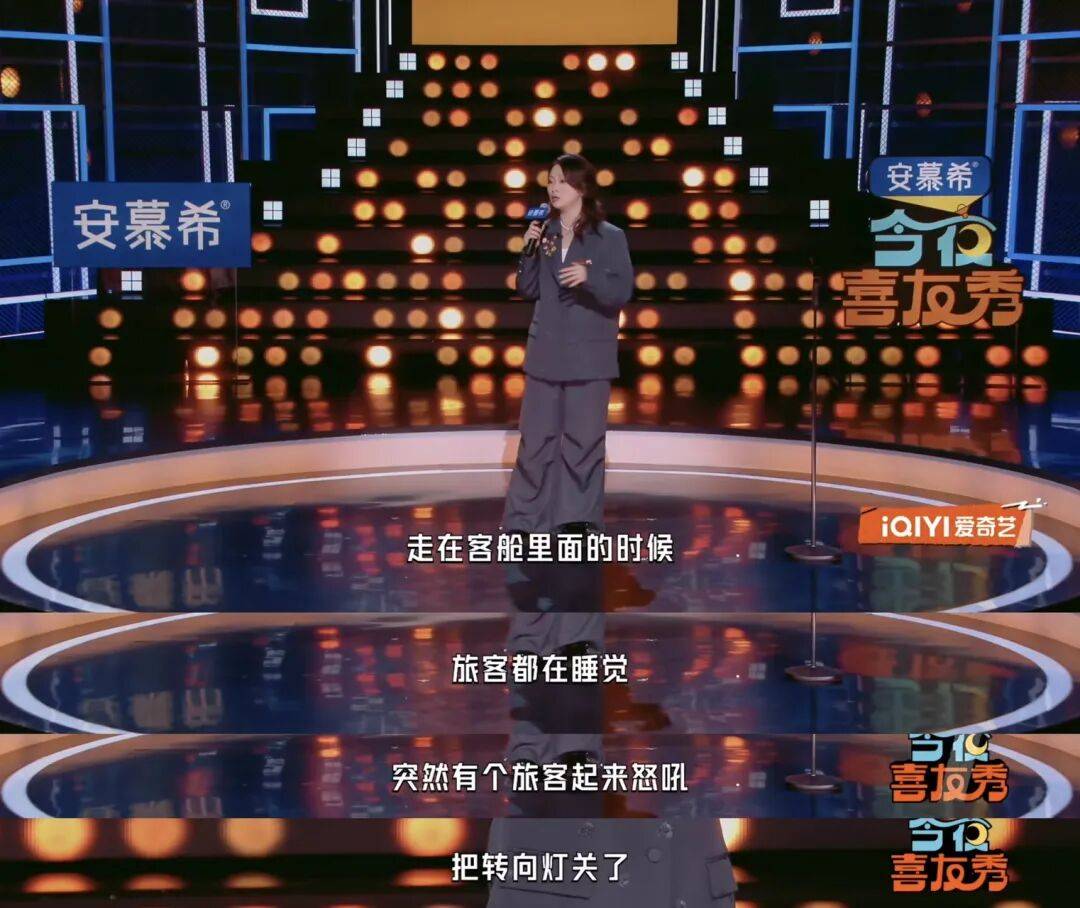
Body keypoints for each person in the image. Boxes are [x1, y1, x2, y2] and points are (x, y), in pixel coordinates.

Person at [501, 153, 635, 536]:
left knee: (583, 442)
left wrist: (589, 278)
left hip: (589, 357)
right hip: (546, 352)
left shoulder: (609, 237)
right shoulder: (544, 234)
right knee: (535, 440)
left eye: (561, 181)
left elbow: (621, 292)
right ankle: (525, 519)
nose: (553, 188)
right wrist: (527, 250)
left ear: (581, 187)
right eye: (550, 180)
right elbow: (527, 289)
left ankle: (576, 520)